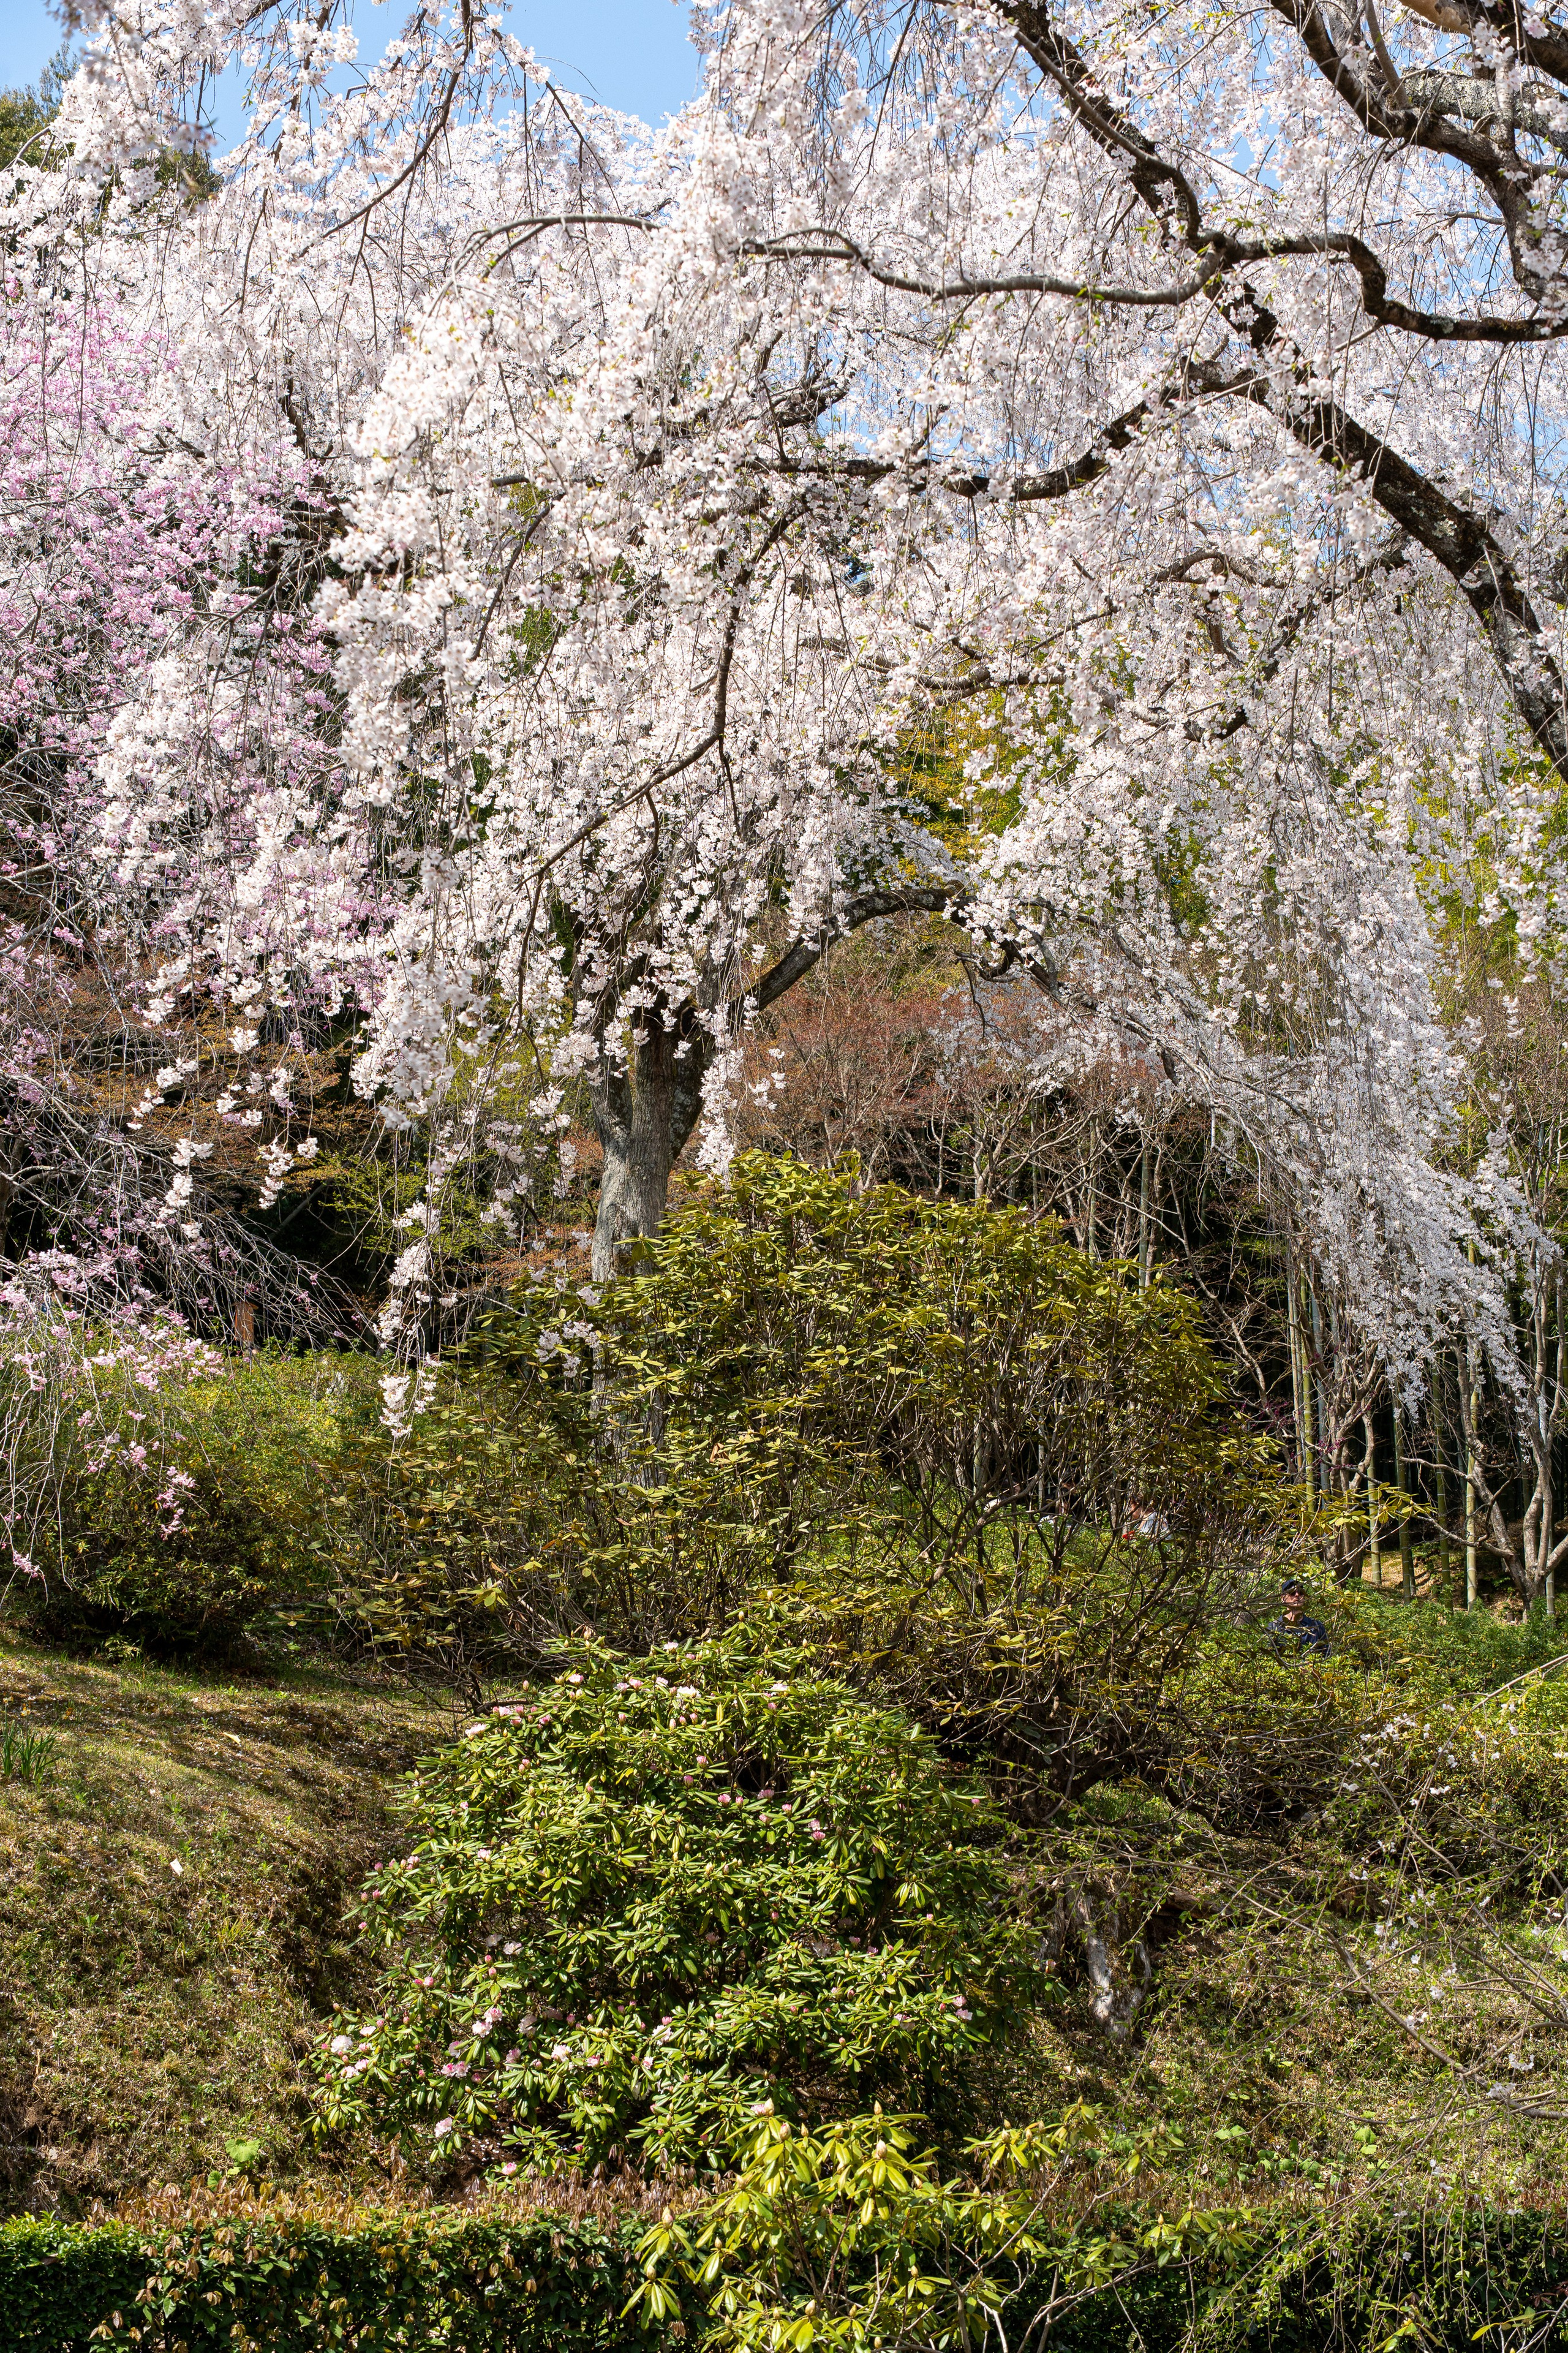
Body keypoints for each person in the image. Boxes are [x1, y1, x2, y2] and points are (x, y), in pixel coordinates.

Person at [1267, 1576, 1329, 1657]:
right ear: (1283, 1598)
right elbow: (1268, 1658)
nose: (1297, 1595)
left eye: (1301, 1592)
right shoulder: (1273, 1628)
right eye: (1292, 1592)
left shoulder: (1317, 1627)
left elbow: (1327, 1656)